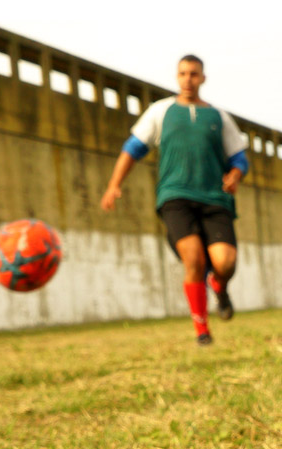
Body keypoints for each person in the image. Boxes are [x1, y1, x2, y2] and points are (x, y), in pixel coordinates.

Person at [100, 55, 249, 346]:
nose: (188, 79)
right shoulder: (161, 111)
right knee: (193, 258)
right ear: (177, 77)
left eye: (194, 74)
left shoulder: (218, 116)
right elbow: (133, 147)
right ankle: (202, 330)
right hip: (176, 195)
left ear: (203, 78)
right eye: (182, 74)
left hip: (215, 198)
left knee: (225, 263)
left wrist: (235, 174)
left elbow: (239, 157)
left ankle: (219, 284)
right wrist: (114, 184)